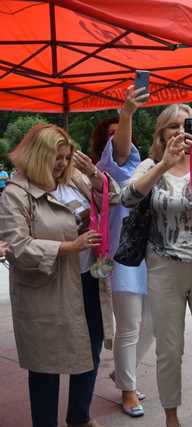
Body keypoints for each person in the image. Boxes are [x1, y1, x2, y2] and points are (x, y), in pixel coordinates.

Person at [0, 123, 119, 427]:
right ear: (38, 155)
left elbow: (113, 198)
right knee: (45, 364)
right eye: (56, 157)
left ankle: (79, 417)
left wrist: (94, 174)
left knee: (89, 352)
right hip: (46, 288)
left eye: (66, 157)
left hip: (87, 279)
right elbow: (18, 247)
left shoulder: (74, 179)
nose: (62, 164)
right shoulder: (16, 194)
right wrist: (70, 246)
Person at [121, 103, 192, 427]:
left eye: (187, 125)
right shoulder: (153, 164)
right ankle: (171, 417)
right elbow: (127, 197)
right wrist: (163, 165)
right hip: (164, 267)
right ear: (161, 133)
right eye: (173, 127)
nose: (180, 132)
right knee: (169, 350)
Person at [94, 88, 153, 417]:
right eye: (113, 134)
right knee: (129, 326)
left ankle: (122, 372)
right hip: (124, 257)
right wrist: (126, 114)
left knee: (154, 323)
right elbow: (119, 153)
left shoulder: (145, 167)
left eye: (125, 133)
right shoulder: (110, 168)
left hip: (151, 254)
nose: (122, 139)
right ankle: (128, 390)